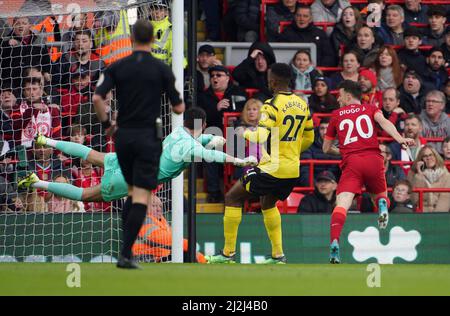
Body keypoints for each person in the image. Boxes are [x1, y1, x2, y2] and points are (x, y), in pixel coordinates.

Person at [18, 108, 257, 218]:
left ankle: (47, 139)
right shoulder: (192, 147)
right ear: (203, 124)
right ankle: (39, 183)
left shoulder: (178, 132)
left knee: (91, 154)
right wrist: (240, 159)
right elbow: (212, 156)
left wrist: (211, 138)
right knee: (86, 195)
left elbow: (197, 140)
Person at [93, 19, 185, 269]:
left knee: (133, 193)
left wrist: (107, 125)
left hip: (123, 137)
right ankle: (125, 254)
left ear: (132, 38)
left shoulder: (117, 66)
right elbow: (178, 107)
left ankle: (125, 251)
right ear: (153, 39)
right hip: (147, 137)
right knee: (141, 196)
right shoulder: (161, 69)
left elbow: (98, 98)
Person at [205, 63, 315, 265]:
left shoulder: (271, 105)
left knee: (232, 197)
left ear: (273, 81)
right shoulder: (302, 104)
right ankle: (278, 255)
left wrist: (242, 132)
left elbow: (261, 135)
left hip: (272, 168)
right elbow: (309, 137)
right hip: (292, 169)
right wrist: (291, 152)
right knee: (267, 203)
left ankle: (228, 253)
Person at [323, 80, 414, 263]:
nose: (338, 99)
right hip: (373, 159)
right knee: (379, 195)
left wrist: (342, 150)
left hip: (352, 162)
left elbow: (325, 148)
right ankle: (381, 204)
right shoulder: (371, 109)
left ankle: (334, 241)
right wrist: (400, 138)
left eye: (340, 95)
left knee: (342, 204)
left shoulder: (336, 115)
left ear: (348, 95)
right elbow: (385, 123)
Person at [407, 145, 450, 212]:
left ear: (436, 156)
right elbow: (414, 199)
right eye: (425, 156)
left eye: (431, 155)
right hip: (420, 212)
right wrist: (419, 175)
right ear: (421, 159)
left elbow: (445, 199)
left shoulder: (446, 176)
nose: (428, 158)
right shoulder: (413, 174)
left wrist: (436, 217)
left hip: (439, 214)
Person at [420, 90, 450, 155]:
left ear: (442, 105)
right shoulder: (418, 120)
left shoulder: (448, 121)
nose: (430, 104)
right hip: (425, 156)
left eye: (434, 101)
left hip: (445, 157)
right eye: (428, 101)